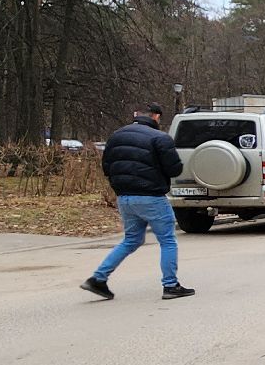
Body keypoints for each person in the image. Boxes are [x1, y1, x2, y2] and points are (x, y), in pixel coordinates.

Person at [80, 103, 194, 300]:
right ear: (156, 117)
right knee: (167, 240)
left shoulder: (116, 136)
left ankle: (98, 278)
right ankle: (170, 285)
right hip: (152, 197)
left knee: (131, 240)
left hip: (124, 197)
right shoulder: (160, 138)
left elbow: (107, 167)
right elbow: (174, 170)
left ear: (136, 115)